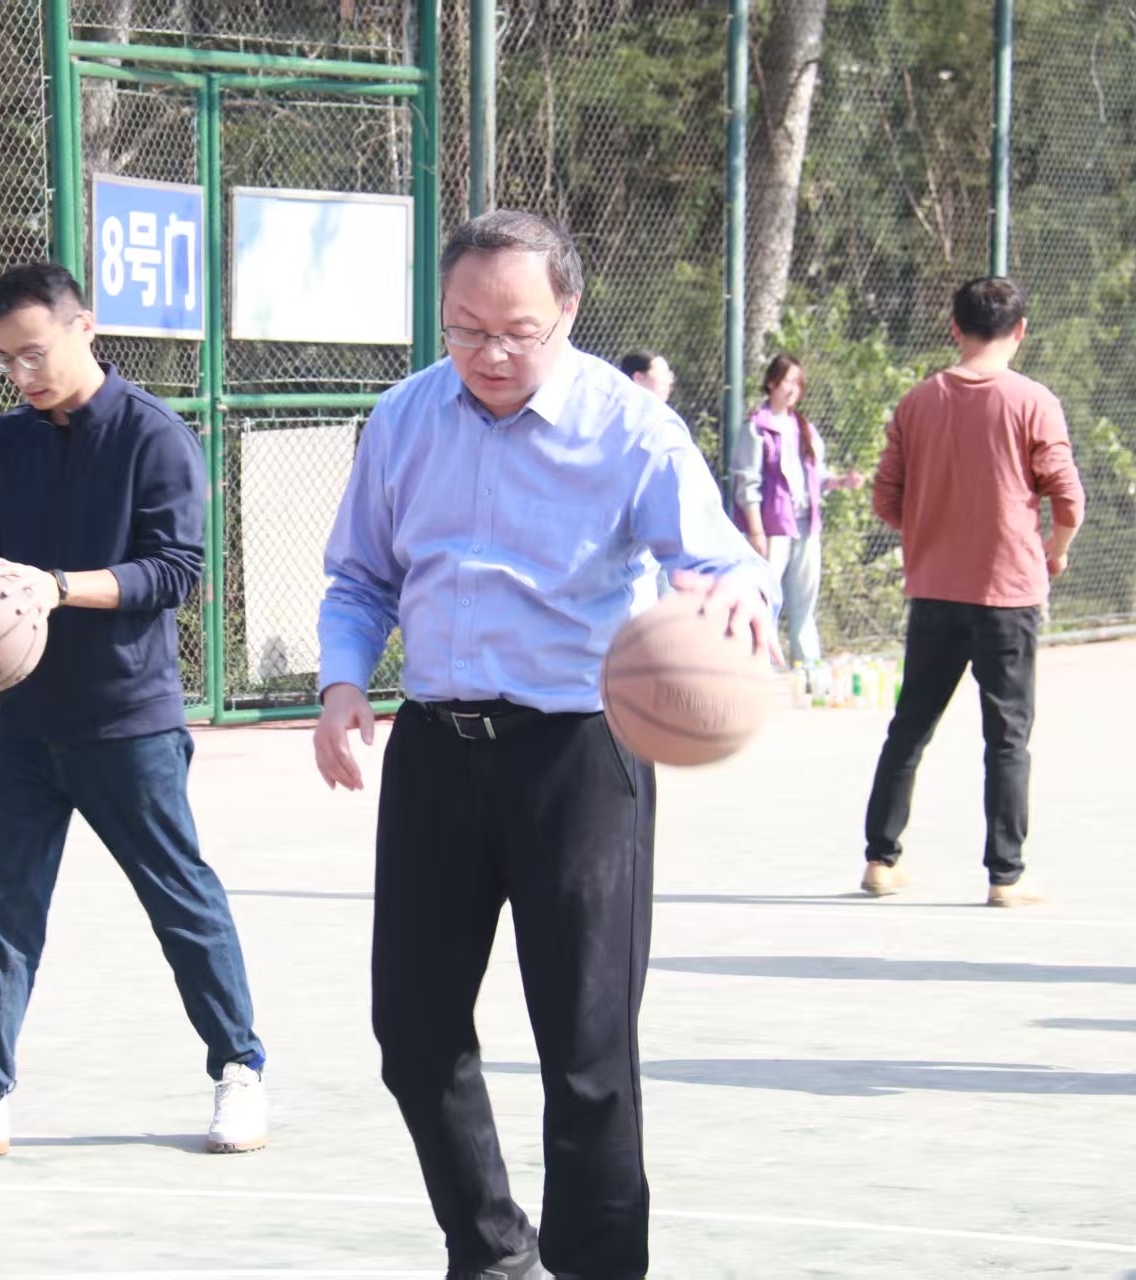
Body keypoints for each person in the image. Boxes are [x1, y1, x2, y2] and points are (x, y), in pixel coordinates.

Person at [314, 211, 777, 1280]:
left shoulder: (632, 430)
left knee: (587, 1050)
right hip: (436, 750)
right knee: (413, 1032)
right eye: (464, 327)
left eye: (517, 330)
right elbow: (362, 577)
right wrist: (341, 685)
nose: (489, 353)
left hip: (580, 754)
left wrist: (741, 596)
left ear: (567, 310)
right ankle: (492, 1253)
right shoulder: (403, 418)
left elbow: (720, 558)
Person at [0, 263, 267, 1156]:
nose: (22, 373)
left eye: (34, 352)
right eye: (6, 359)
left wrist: (55, 586)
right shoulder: (8, 441)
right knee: (1, 901)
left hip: (128, 722)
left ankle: (240, 1073)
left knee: (178, 897)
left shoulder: (155, 435)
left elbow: (177, 571)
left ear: (85, 328)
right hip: (27, 722)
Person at [861, 277, 1084, 908]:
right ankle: (1005, 874)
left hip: (934, 590)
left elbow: (885, 497)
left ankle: (880, 859)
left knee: (910, 726)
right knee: (1007, 736)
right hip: (1007, 592)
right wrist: (1056, 547)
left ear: (955, 328)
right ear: (1020, 330)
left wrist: (931, 528)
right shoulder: (1033, 401)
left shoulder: (918, 400)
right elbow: (1067, 496)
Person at [730, 353, 864, 667]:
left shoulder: (804, 427)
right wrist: (756, 531)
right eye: (787, 381)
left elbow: (817, 477)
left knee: (804, 602)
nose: (792, 389)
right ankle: (762, 667)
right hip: (772, 528)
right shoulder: (756, 428)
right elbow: (747, 483)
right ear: (771, 383)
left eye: (798, 383)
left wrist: (842, 482)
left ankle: (808, 668)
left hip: (806, 526)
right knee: (767, 601)